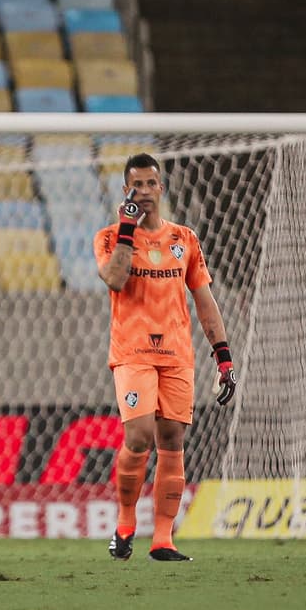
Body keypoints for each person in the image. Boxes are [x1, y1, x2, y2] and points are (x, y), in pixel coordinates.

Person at [93, 153, 238, 562]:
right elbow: (116, 278)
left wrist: (223, 357)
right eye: (136, 185)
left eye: (150, 184)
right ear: (126, 192)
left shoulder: (185, 239)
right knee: (138, 437)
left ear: (161, 187)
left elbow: (204, 300)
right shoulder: (108, 237)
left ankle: (162, 540)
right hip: (133, 353)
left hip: (177, 355)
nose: (144, 192)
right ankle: (124, 525)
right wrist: (127, 227)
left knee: (172, 441)